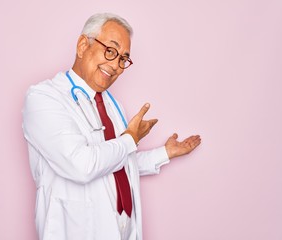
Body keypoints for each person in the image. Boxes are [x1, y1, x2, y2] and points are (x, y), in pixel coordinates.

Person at [22, 12, 201, 240]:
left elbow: (117, 163)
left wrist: (164, 153)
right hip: (75, 230)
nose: (116, 65)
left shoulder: (110, 103)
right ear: (82, 45)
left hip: (120, 230)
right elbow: (82, 165)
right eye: (111, 51)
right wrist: (130, 139)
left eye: (123, 59)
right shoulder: (44, 98)